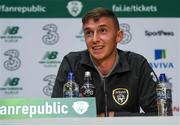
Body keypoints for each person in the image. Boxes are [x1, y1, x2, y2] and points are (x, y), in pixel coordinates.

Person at [52, 7, 158, 117]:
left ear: (118, 36)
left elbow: (161, 114)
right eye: (89, 32)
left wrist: (113, 117)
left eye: (103, 30)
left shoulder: (137, 64)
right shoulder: (72, 63)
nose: (94, 39)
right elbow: (56, 112)